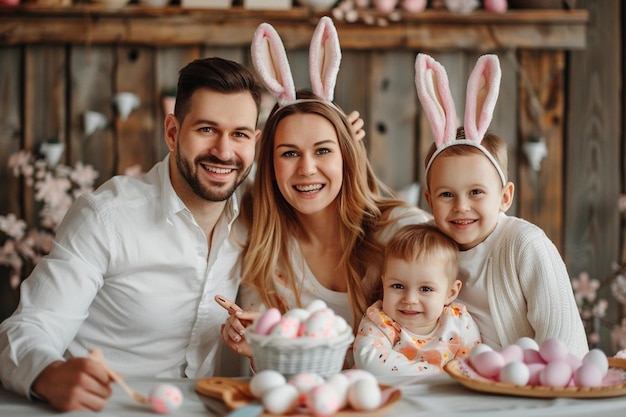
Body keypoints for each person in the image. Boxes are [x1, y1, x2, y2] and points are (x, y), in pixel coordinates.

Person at [0, 57, 263, 411]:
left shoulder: (259, 211)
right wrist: (48, 373)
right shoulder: (105, 217)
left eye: (240, 134)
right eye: (206, 130)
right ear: (172, 132)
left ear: (254, 141)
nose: (224, 151)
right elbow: (25, 330)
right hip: (106, 407)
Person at [220, 17, 431, 360]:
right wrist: (264, 350)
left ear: (347, 156)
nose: (306, 169)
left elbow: (441, 341)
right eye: (289, 153)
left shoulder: (402, 233)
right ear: (269, 167)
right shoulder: (263, 250)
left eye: (323, 150)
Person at [415, 53, 589, 358]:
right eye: (446, 195)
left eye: (477, 192)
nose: (461, 207)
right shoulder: (424, 246)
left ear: (505, 197)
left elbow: (563, 341)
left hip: (524, 386)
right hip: (452, 384)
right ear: (429, 200)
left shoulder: (524, 246)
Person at [353, 223, 481, 377]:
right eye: (398, 286)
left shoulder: (459, 322)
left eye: (425, 289)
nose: (410, 299)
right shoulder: (381, 322)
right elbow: (370, 364)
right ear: (384, 284)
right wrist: (440, 376)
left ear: (450, 293)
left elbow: (472, 367)